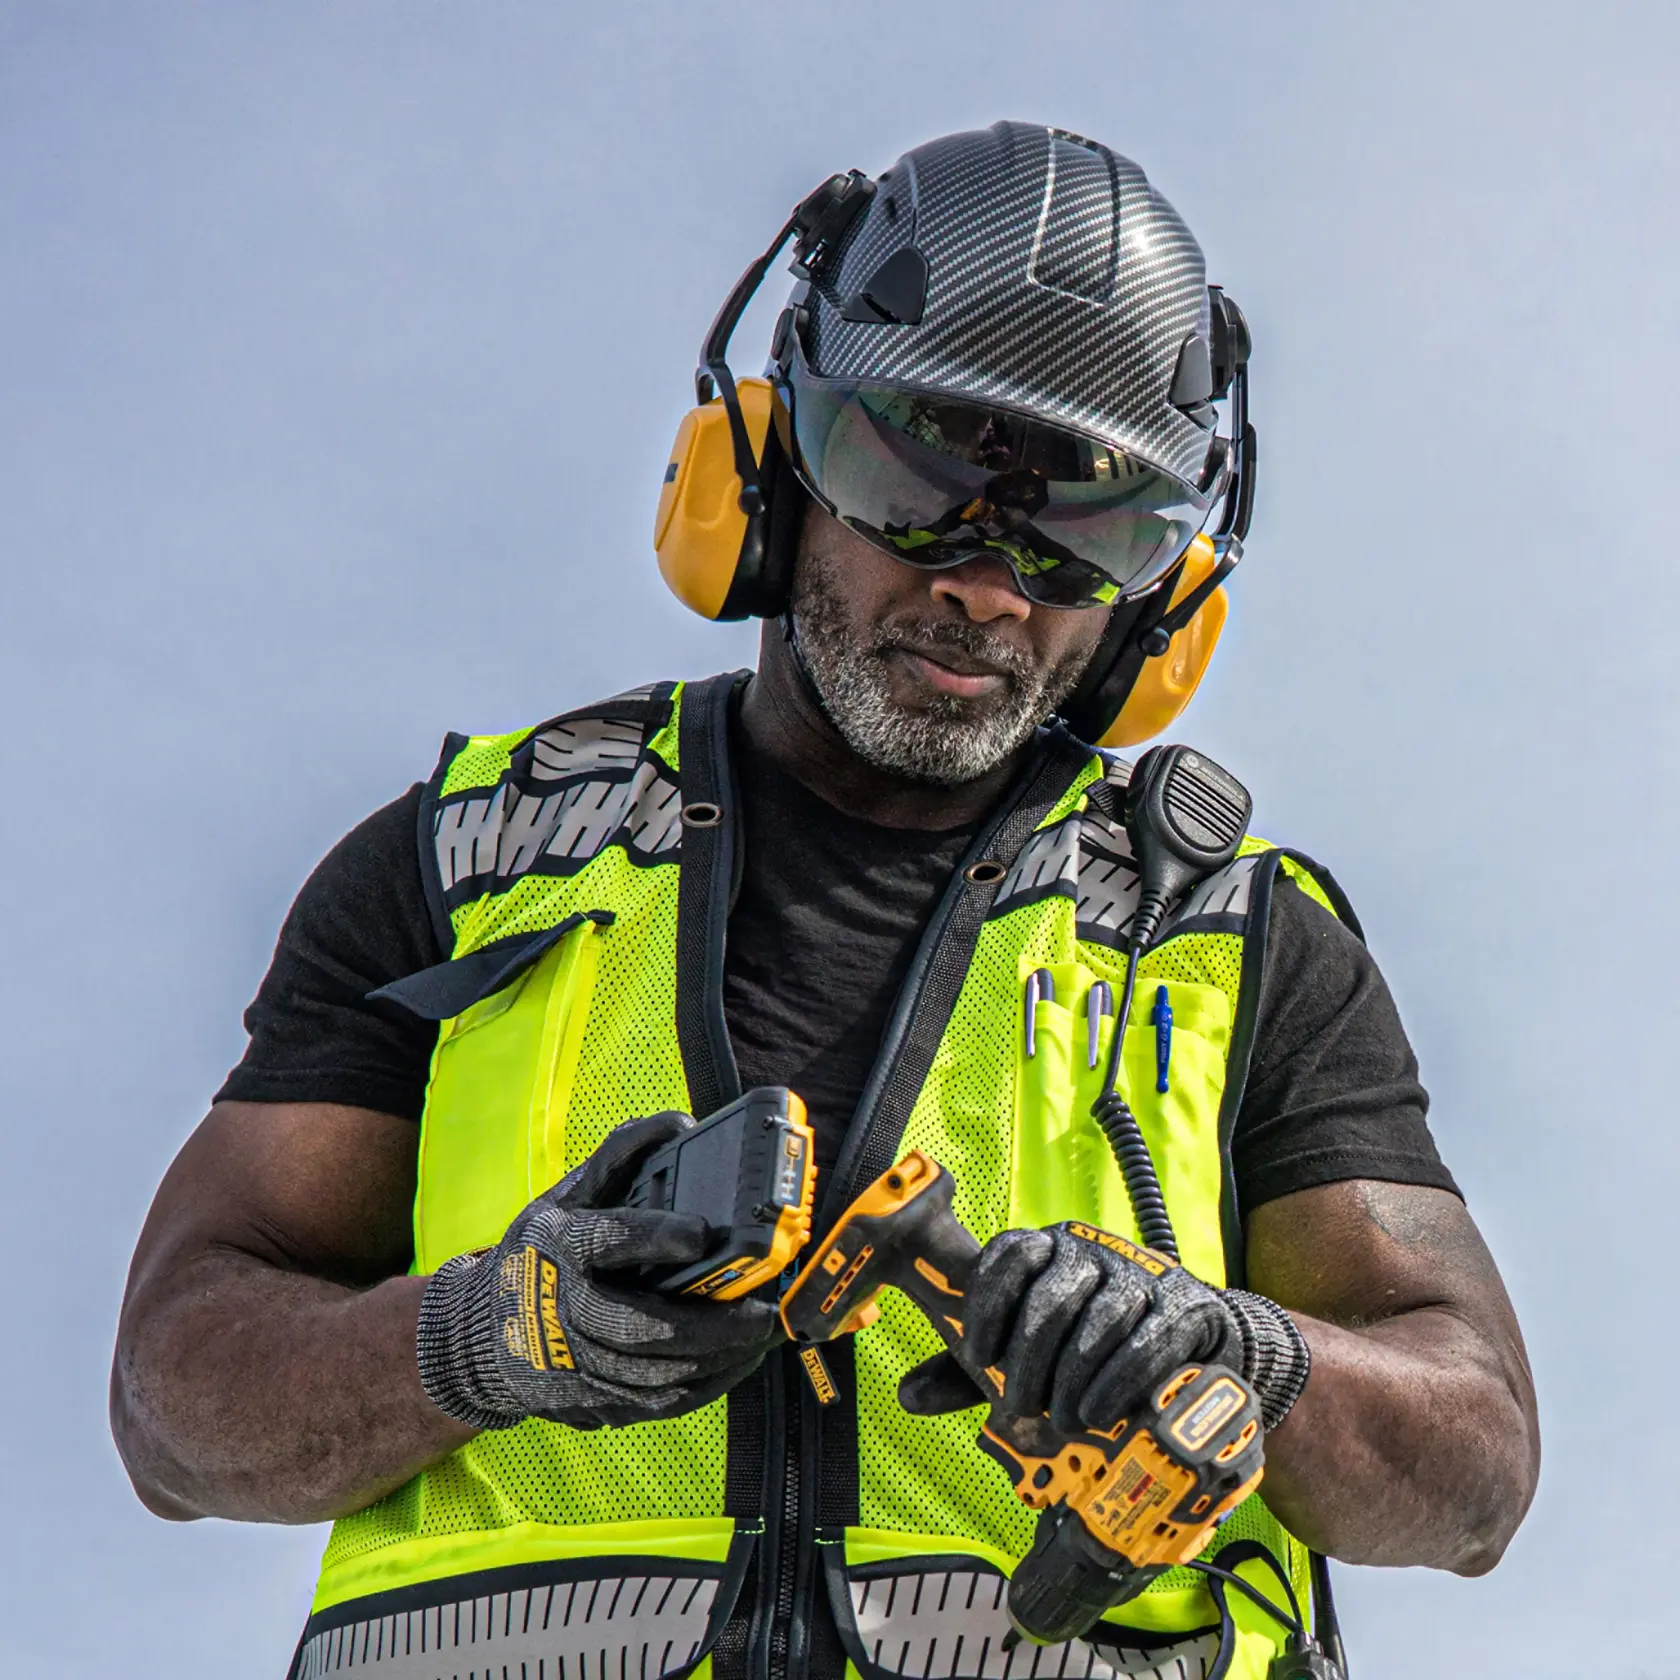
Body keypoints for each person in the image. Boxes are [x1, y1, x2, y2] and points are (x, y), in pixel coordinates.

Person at [111, 122, 1539, 1680]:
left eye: (1086, 531)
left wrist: (1240, 1356)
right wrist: (490, 1335)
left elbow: (1474, 1463)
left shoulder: (1235, 947)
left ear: (1165, 595)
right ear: (768, 461)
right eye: (915, 477)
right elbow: (172, 1408)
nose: (987, 585)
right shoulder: (465, 870)